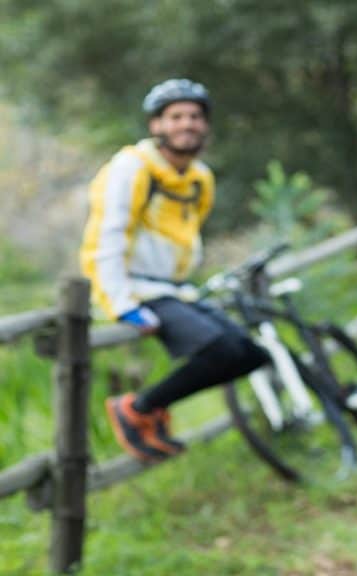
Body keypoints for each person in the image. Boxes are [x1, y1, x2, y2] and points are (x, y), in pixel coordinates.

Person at [80, 79, 269, 462]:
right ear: (156, 125)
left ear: (206, 125)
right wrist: (122, 303)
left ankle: (150, 408)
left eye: (195, 117)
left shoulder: (199, 177)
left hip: (175, 288)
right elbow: (107, 238)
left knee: (250, 353)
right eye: (176, 117)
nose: (187, 124)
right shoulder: (132, 168)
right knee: (219, 350)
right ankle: (136, 408)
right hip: (136, 288)